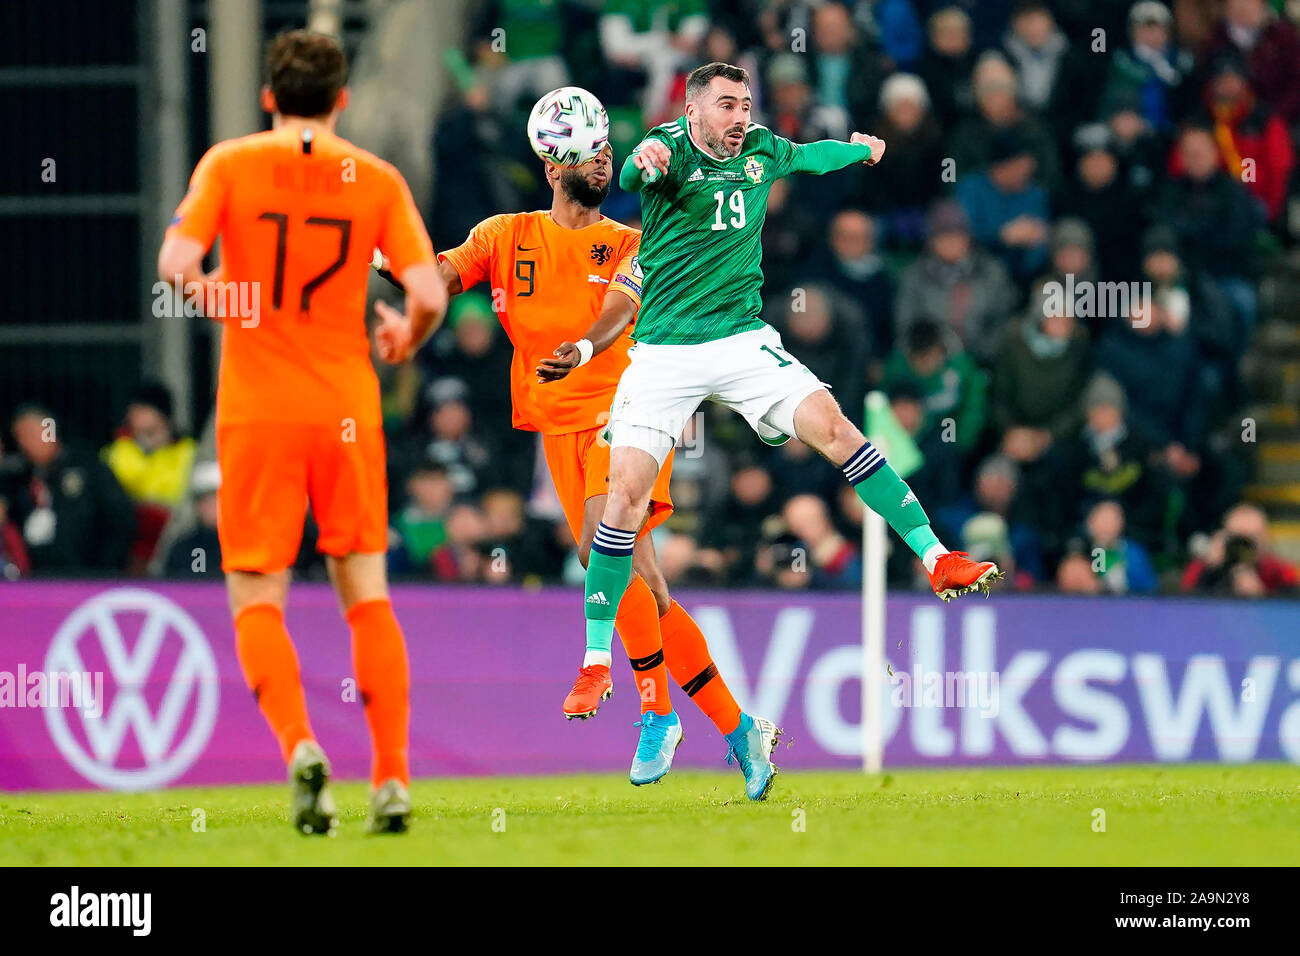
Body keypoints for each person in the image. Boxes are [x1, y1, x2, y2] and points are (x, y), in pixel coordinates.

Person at [549, 62, 1002, 789]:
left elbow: (809, 157)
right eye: (725, 104)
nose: (739, 115)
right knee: (623, 505)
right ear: (693, 108)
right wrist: (644, 160)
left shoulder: (762, 147)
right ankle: (596, 662)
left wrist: (858, 150)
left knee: (840, 430)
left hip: (739, 341)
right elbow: (634, 175)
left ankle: (937, 556)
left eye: (745, 103)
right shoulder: (666, 152)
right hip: (663, 353)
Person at [416, 114, 771, 799]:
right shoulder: (504, 235)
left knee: (598, 541)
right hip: (558, 423)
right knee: (646, 587)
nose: (605, 163)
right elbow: (442, 277)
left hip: (631, 412)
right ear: (553, 168)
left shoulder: (633, 243)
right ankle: (738, 728)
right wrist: (400, 269)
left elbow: (618, 312)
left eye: (610, 151)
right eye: (589, 154)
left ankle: (656, 710)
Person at [156, 30, 447, 835]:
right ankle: (390, 778)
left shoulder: (231, 163)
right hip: (346, 406)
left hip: (257, 408)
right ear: (342, 98)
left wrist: (235, 304)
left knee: (257, 593)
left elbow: (178, 265)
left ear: (268, 96)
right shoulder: (375, 180)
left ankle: (298, 747)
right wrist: (404, 340)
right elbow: (425, 291)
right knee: (366, 592)